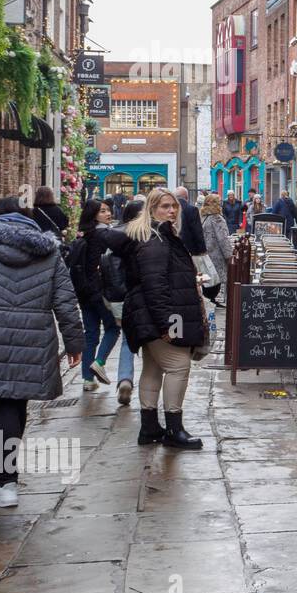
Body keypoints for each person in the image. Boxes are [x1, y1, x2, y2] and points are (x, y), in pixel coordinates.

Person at [0, 197, 84, 507]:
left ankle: (6, 485)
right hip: (34, 338)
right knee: (14, 404)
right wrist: (75, 343)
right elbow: (65, 301)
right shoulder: (48, 252)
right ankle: (6, 482)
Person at [117, 188, 206, 450]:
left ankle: (149, 428)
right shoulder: (154, 239)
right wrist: (167, 324)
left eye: (174, 206)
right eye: (165, 206)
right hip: (158, 316)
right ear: (152, 209)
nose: (172, 211)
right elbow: (155, 286)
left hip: (149, 316)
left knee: (153, 369)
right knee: (179, 366)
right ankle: (174, 429)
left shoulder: (161, 235)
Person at [70, 199, 123, 392]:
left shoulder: (84, 235)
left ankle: (87, 379)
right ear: (94, 215)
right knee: (113, 328)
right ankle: (99, 362)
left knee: (90, 334)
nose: (108, 214)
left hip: (84, 292)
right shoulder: (104, 235)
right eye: (103, 211)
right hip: (101, 291)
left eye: (108, 210)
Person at [102, 197, 145, 407]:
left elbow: (106, 268)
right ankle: (149, 387)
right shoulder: (146, 236)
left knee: (127, 341)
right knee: (152, 345)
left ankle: (125, 378)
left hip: (121, 297)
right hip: (144, 296)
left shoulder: (114, 237)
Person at [201, 193, 234, 307]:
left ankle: (211, 299)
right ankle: (214, 299)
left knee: (210, 279)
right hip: (216, 254)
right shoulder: (217, 218)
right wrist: (229, 256)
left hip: (207, 253)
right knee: (219, 278)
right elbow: (223, 239)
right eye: (219, 201)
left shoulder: (204, 217)